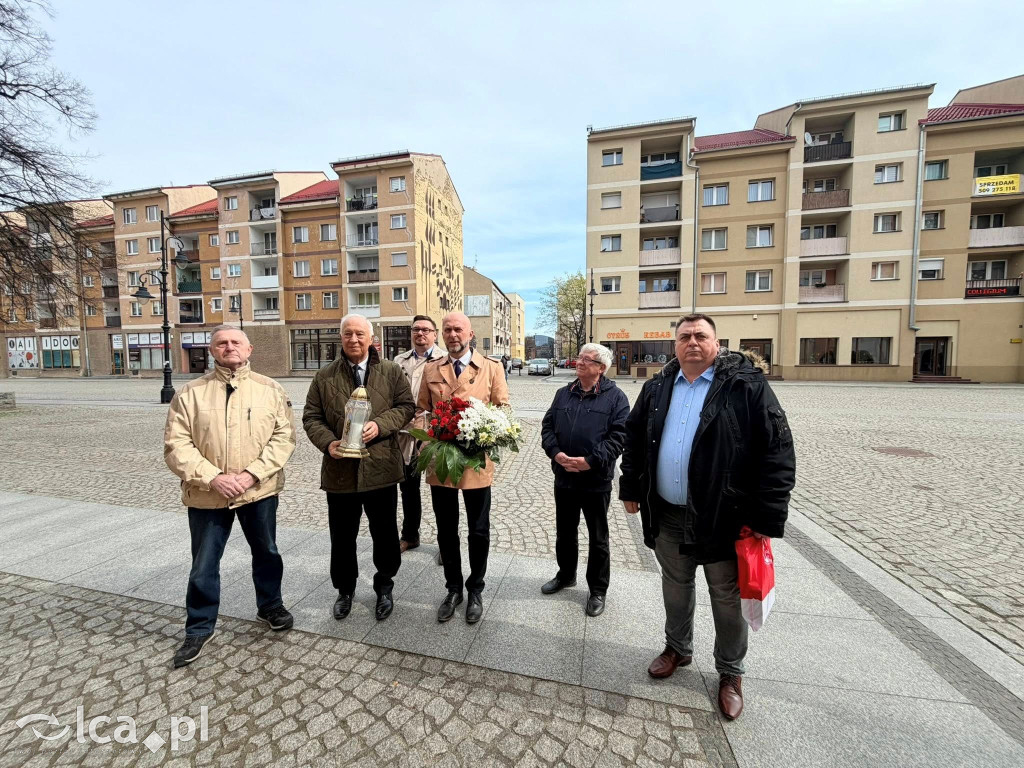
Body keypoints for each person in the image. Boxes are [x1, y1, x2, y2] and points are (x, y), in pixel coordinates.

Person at [619, 313, 795, 721]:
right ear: (674, 344)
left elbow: (778, 450)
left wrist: (767, 516)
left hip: (724, 515)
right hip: (668, 512)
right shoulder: (658, 386)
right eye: (684, 336)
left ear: (716, 343)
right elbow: (635, 437)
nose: (692, 342)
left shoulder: (745, 385)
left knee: (725, 597)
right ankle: (677, 648)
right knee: (676, 585)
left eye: (701, 336)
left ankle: (731, 673)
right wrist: (630, 486)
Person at [164, 325, 296, 668]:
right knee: (204, 563)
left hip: (259, 490)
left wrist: (252, 474)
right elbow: (176, 446)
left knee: (267, 551)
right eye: (221, 343)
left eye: (236, 342)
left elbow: (283, 439)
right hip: (207, 494)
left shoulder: (270, 390)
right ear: (211, 350)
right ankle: (199, 626)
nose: (229, 347)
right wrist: (214, 478)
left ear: (249, 349)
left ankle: (270, 605)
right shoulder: (190, 393)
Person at [303, 314, 415, 622]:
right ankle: (345, 590)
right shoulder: (324, 376)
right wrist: (328, 443)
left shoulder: (391, 371)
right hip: (340, 472)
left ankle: (384, 585)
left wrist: (380, 426)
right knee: (342, 536)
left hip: (380, 469)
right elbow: (311, 417)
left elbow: (406, 408)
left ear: (371, 339)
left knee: (385, 533)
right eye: (348, 334)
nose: (353, 340)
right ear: (341, 338)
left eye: (359, 334)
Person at [419, 311, 509, 624]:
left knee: (478, 530)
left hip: (474, 461)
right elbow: (421, 410)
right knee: (446, 528)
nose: (453, 334)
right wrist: (426, 435)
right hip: (442, 460)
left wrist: (484, 430)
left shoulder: (491, 368)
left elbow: (503, 410)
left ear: (470, 333)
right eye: (447, 329)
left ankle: (476, 589)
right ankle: (453, 588)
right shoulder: (432, 368)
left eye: (458, 329)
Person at [540, 343, 628, 616]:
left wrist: (590, 461)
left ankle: (598, 589)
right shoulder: (563, 393)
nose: (579, 362)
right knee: (565, 532)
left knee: (598, 537)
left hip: (596, 480)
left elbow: (619, 436)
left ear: (600, 368)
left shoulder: (616, 398)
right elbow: (547, 426)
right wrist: (556, 454)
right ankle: (566, 575)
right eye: (580, 358)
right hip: (564, 476)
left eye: (586, 360)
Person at [393, 315, 445, 553]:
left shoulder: (444, 359)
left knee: (442, 491)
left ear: (435, 334)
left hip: (436, 434)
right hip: (405, 434)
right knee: (408, 488)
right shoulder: (399, 361)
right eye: (416, 330)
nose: (420, 334)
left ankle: (446, 545)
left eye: (426, 330)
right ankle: (410, 535)